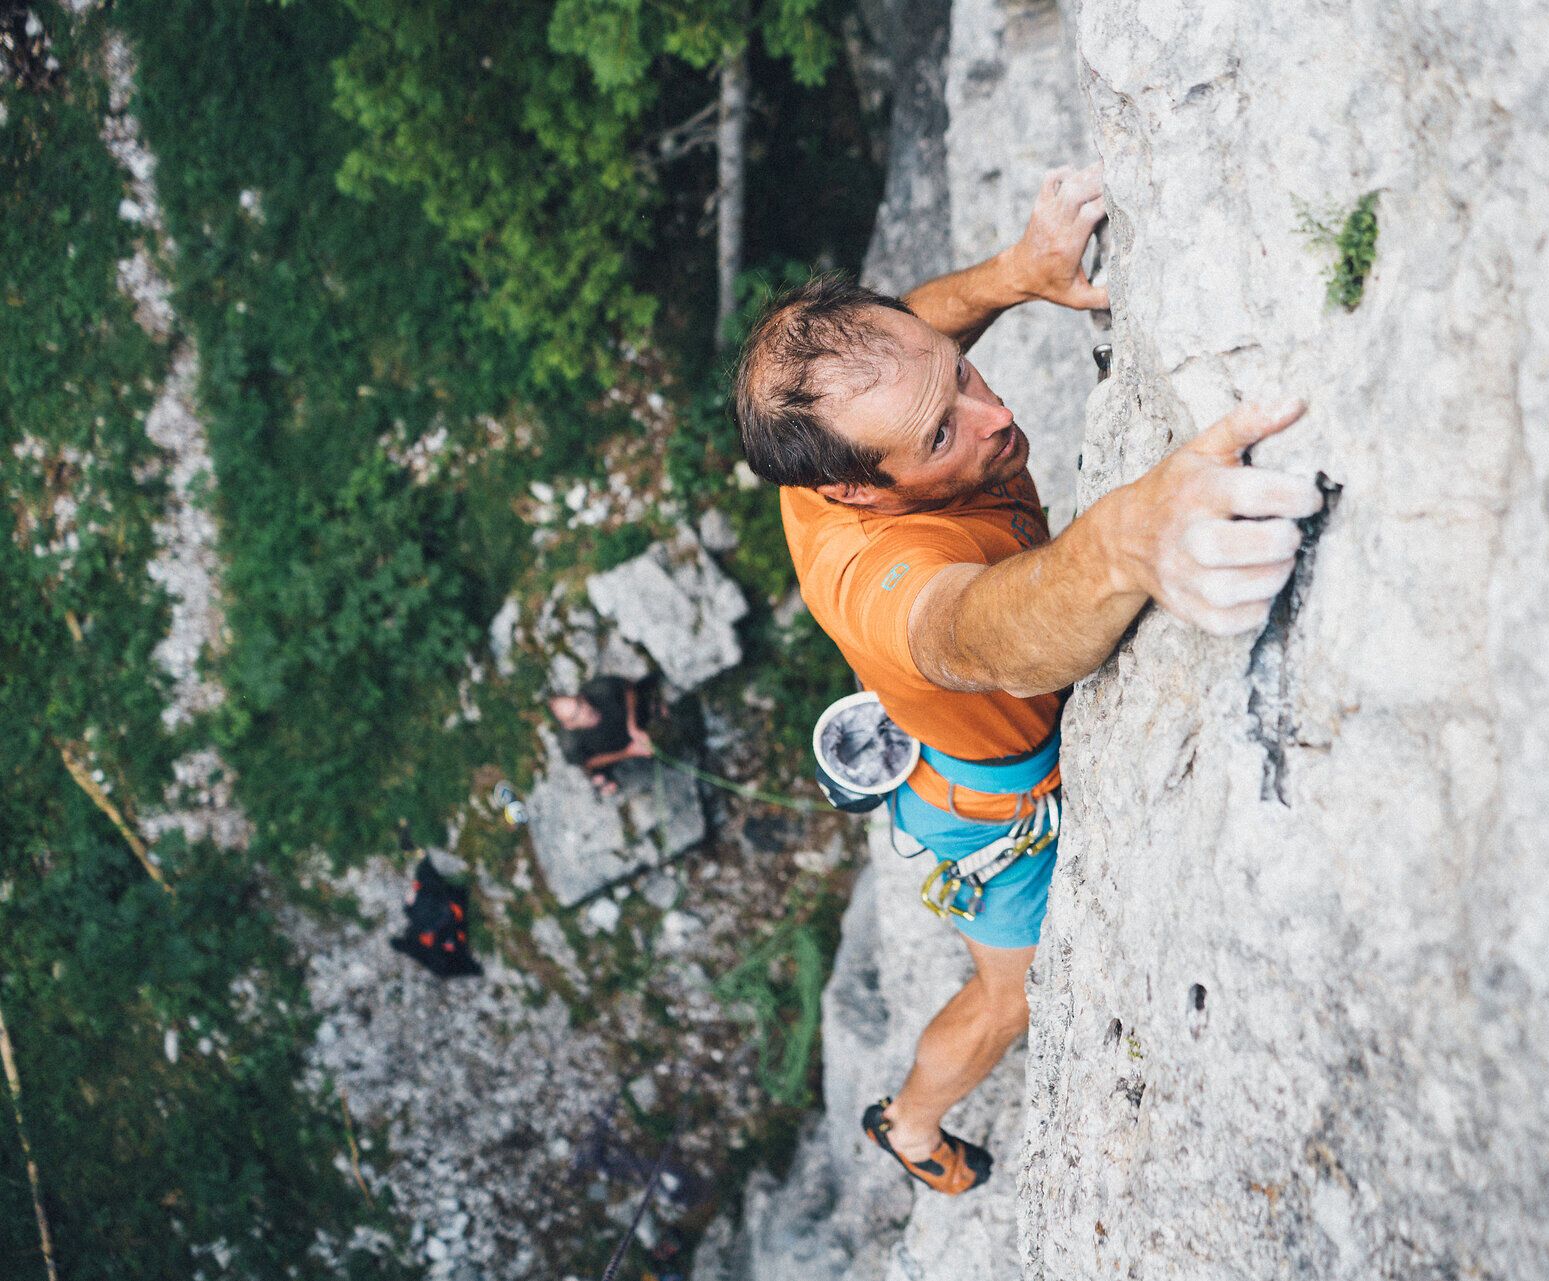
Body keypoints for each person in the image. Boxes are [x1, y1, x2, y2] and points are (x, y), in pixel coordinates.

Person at [731, 163, 1323, 1194]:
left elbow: (918, 324)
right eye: (941, 434)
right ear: (854, 492)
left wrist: (1015, 272)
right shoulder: (879, 583)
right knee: (1011, 997)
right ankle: (911, 1124)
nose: (993, 414)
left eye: (962, 373)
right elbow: (976, 633)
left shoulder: (842, 424)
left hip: (956, 746)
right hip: (984, 804)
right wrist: (1127, 541)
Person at [548, 673, 657, 796]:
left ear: (581, 697)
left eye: (579, 703)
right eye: (575, 715)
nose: (584, 711)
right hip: (614, 750)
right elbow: (588, 762)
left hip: (633, 719)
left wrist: (633, 726)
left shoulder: (599, 689)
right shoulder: (570, 744)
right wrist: (628, 752)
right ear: (569, 725)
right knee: (599, 777)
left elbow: (628, 688)